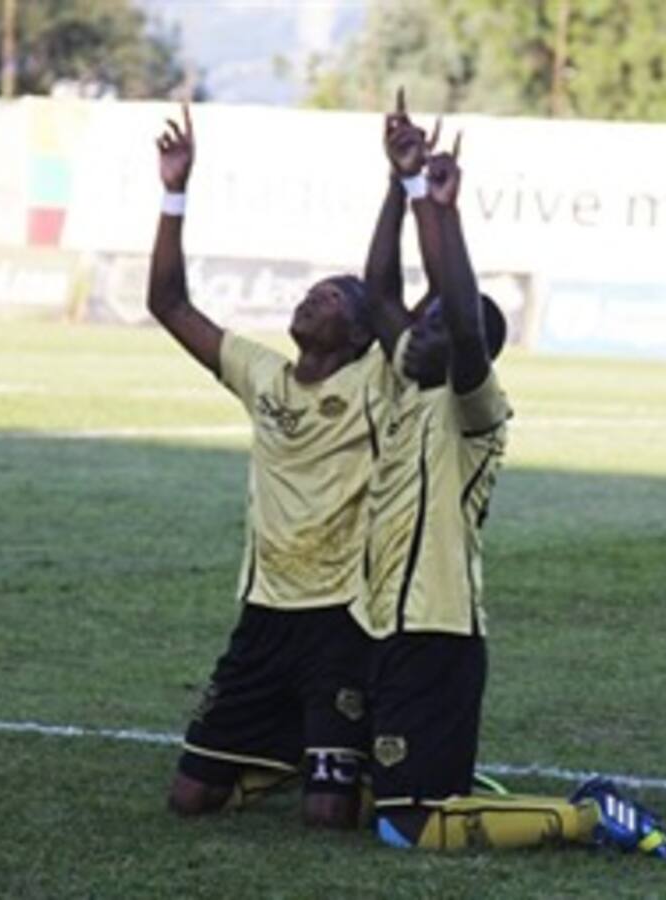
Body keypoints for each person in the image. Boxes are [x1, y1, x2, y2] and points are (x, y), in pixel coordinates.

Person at [351, 92, 666, 858]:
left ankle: (588, 816)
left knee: (409, 829)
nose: (418, 328)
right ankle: (476, 789)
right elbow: (376, 299)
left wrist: (443, 211)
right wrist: (398, 188)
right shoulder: (409, 381)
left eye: (435, 325)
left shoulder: (474, 409)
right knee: (386, 800)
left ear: (473, 353)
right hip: (386, 623)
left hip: (435, 629)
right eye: (421, 322)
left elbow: (463, 319)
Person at [147, 104, 388, 829]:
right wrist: (174, 194)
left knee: (327, 817)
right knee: (189, 802)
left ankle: (322, 744)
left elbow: (387, 290)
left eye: (332, 298)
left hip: (343, 618)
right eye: (312, 291)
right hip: (263, 614)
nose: (311, 298)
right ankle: (288, 738)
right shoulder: (263, 375)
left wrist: (399, 187)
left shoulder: (374, 383)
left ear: (359, 334)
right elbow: (167, 303)